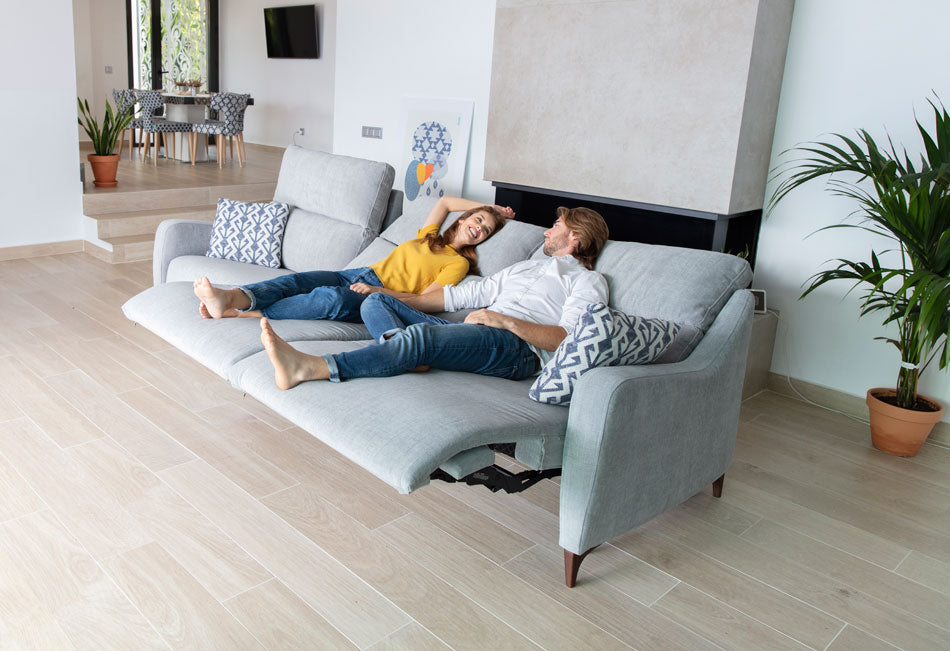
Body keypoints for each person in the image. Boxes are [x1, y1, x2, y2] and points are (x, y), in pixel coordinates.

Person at [258, 206, 611, 389]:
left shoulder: (589, 281)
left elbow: (567, 339)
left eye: (557, 228)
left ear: (576, 238)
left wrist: (502, 320)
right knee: (375, 303)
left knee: (421, 337)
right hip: (479, 330)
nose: (548, 231)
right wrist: (383, 292)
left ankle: (312, 367)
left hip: (513, 348)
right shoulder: (526, 268)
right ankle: (400, 350)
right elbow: (462, 295)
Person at [193, 195, 511, 322]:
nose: (480, 228)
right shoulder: (429, 235)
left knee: (328, 298)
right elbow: (443, 202)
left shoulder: (459, 263)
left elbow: (426, 300)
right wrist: (492, 208)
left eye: (487, 229)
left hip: (379, 297)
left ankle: (244, 312)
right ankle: (232, 297)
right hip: (360, 273)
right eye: (479, 219)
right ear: (464, 218)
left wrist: (379, 293)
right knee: (298, 280)